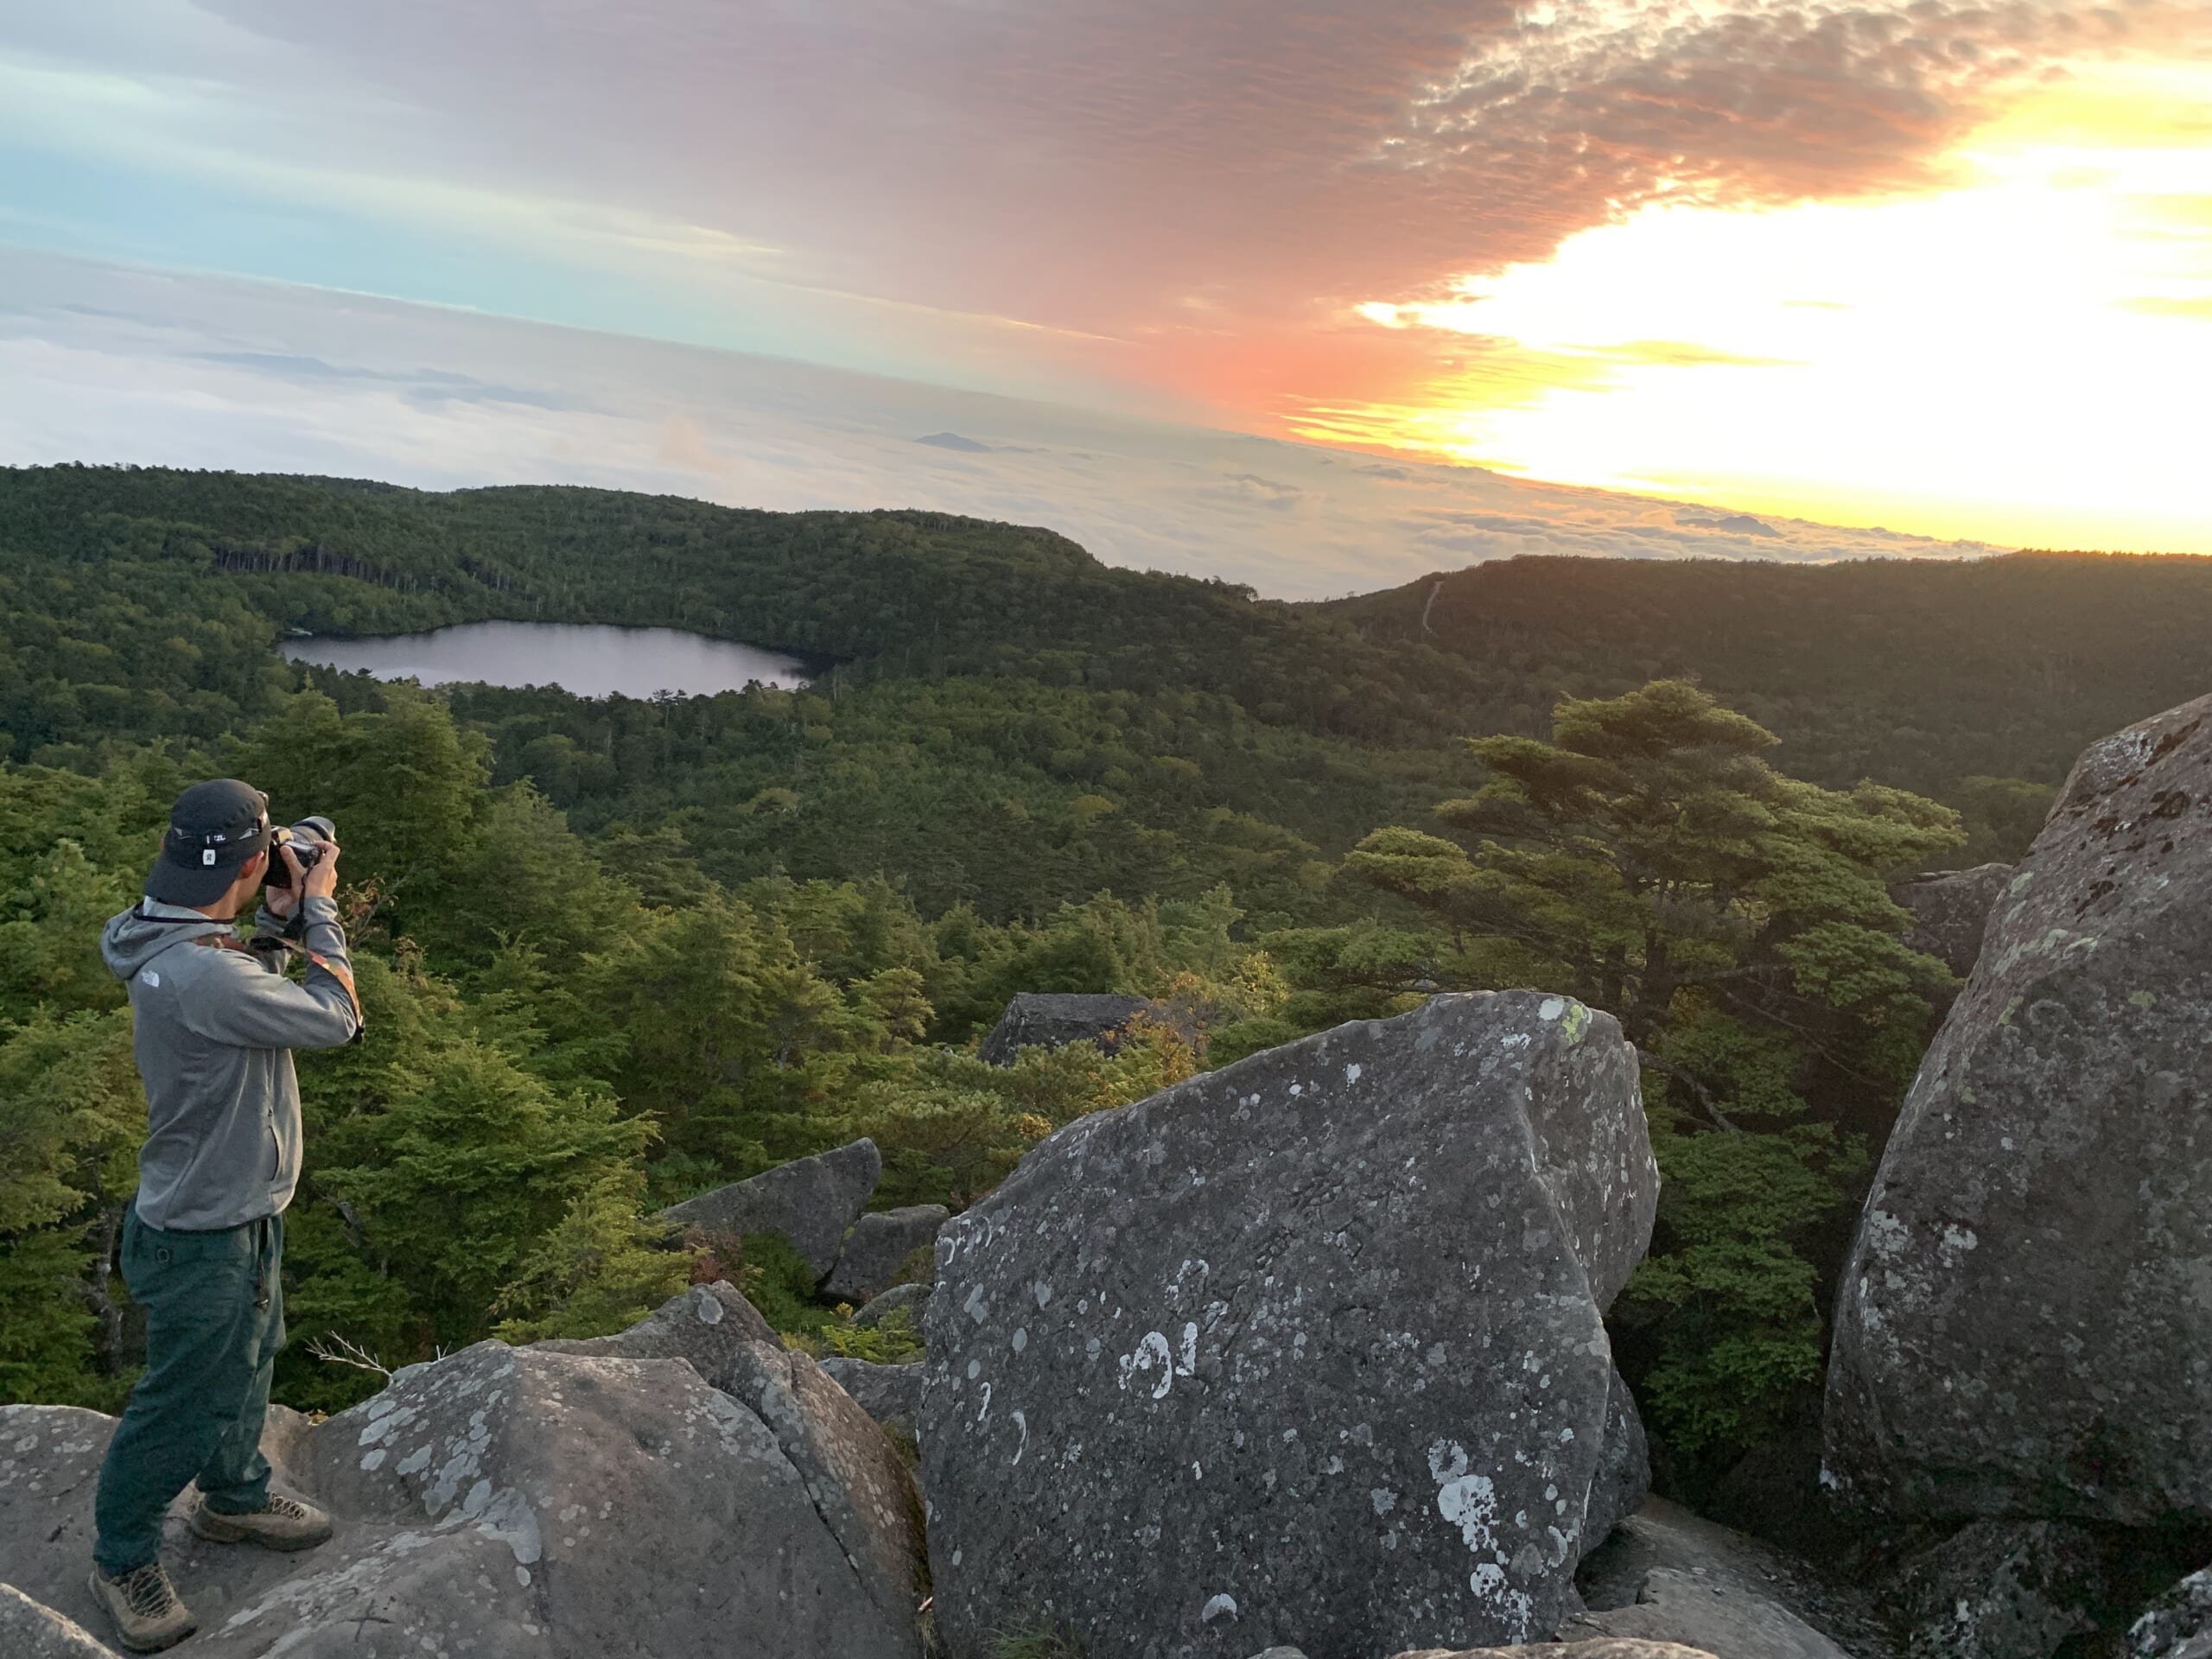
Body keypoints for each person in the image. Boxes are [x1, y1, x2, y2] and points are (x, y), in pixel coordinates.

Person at [87, 779, 364, 1653]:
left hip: (234, 1208)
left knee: (251, 1360)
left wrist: (274, 925)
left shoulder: (175, 937)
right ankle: (121, 1556)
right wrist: (318, 911)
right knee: (182, 1405)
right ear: (251, 863)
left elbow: (245, 992)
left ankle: (234, 1496)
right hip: (202, 1231)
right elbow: (336, 1021)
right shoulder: (202, 971)